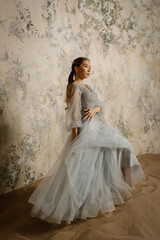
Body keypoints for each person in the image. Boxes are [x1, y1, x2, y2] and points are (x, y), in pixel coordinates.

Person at [28, 57, 145, 224]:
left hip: (99, 127)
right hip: (88, 130)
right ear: (76, 68)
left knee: (120, 148)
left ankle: (124, 184)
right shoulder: (75, 87)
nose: (89, 70)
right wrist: (76, 140)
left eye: (90, 67)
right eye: (85, 66)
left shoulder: (87, 86)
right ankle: (78, 204)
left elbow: (100, 107)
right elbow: (74, 116)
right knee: (86, 168)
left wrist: (96, 108)